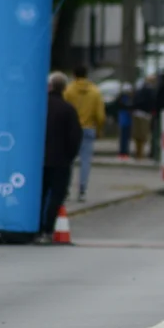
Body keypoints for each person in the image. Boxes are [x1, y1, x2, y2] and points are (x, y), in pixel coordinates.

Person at [36, 72, 83, 244]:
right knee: (56, 195)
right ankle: (48, 229)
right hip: (60, 161)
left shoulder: (38, 106)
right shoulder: (68, 109)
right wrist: (69, 156)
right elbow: (75, 137)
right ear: (64, 88)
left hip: (39, 160)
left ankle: (36, 228)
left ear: (49, 87)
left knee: (39, 195)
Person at [63, 66, 105, 203]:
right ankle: (82, 190)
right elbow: (100, 115)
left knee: (68, 161)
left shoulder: (69, 90)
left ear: (74, 75)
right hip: (88, 129)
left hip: (70, 128)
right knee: (85, 161)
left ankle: (66, 190)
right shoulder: (95, 92)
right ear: (86, 75)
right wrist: (99, 129)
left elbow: (63, 109)